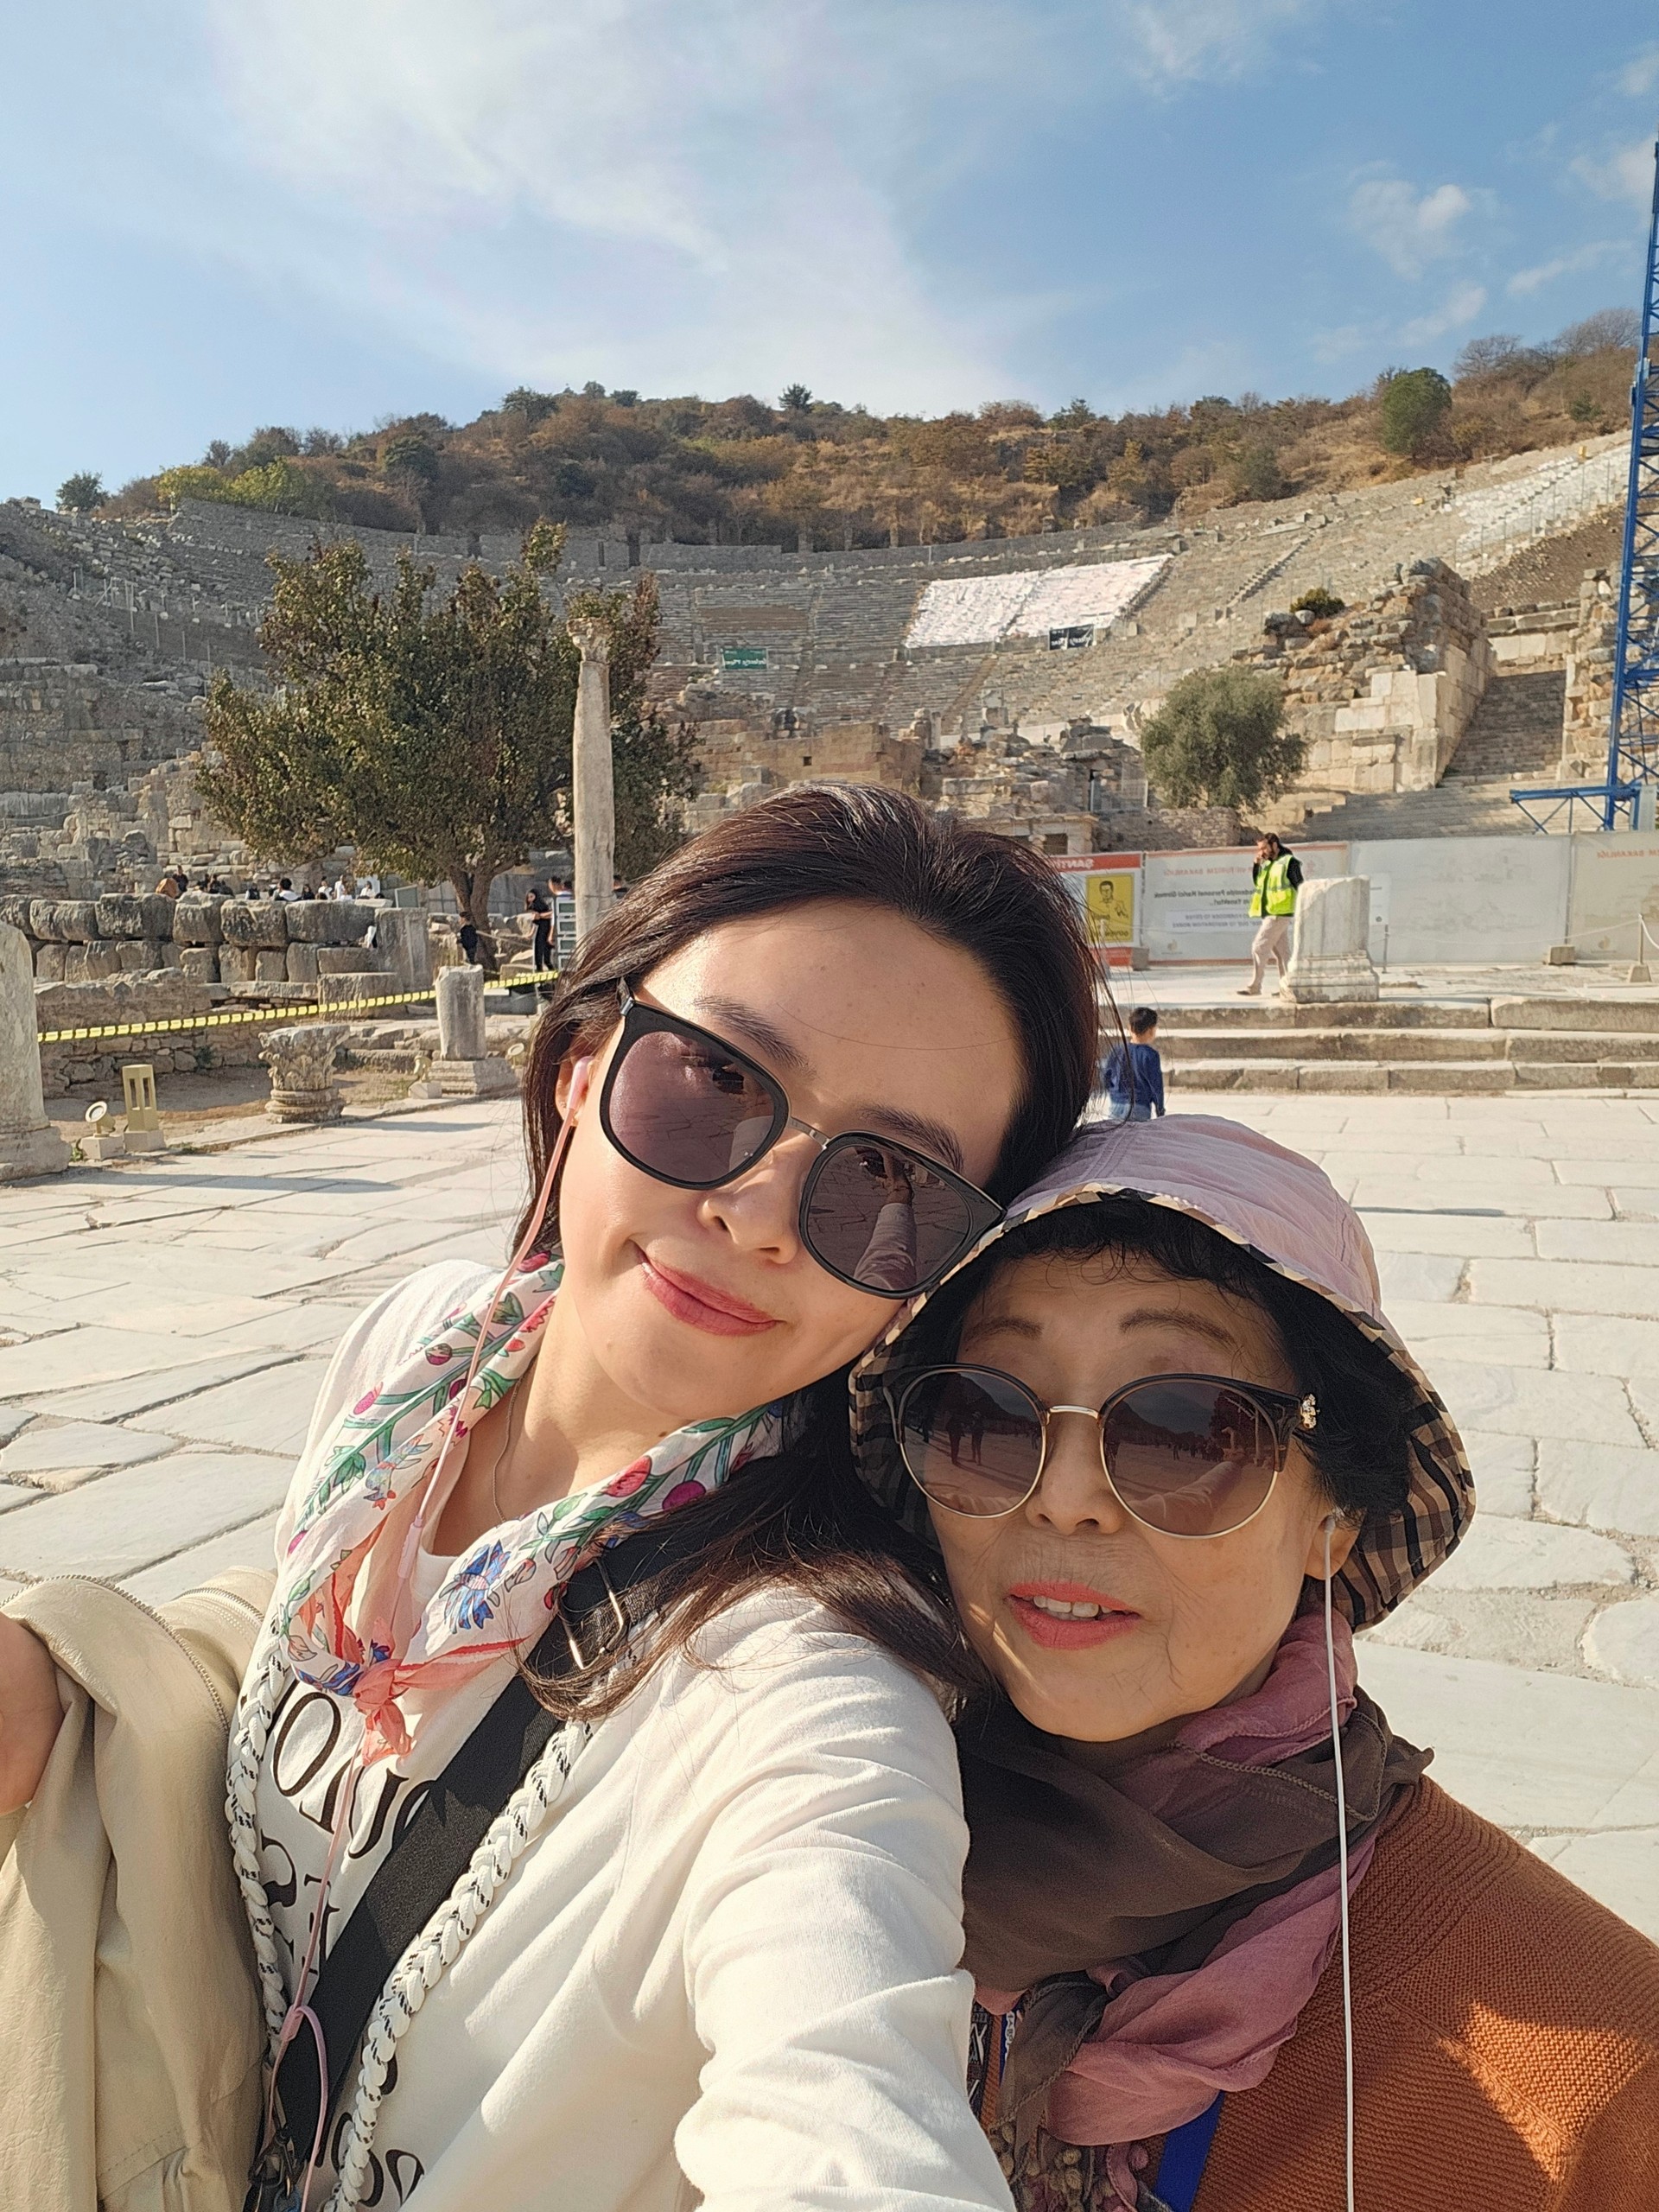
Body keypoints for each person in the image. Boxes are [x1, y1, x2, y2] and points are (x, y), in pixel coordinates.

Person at [0, 785, 1100, 2212]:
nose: (758, 1214)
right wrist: (66, 1685)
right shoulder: (415, 1361)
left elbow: (849, 2110)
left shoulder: (806, 1697)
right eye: (714, 1083)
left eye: (886, 1181)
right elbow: (345, 1653)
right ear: (584, 1067)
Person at [854, 1116, 1659, 2210]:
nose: (1065, 1495)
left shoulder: (1591, 2083)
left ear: (1336, 1516)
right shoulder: (822, 1863)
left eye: (1185, 1431)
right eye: (986, 1417)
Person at [1237, 834, 1301, 996]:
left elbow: (1300, 885)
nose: (1261, 852)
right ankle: (1288, 987)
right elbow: (1258, 883)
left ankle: (1255, 986)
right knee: (1283, 953)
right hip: (1271, 912)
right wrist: (1256, 865)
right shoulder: (1268, 864)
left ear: (1274, 845)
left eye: (1264, 848)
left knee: (1259, 947)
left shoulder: (1289, 862)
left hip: (1279, 913)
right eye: (1259, 849)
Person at [1098, 1008, 1164, 1123]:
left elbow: (1106, 1076)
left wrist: (1115, 1093)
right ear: (1151, 1031)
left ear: (1130, 1028)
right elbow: (1156, 1086)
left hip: (1117, 1104)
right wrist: (1160, 1110)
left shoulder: (1117, 1050)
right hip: (1140, 1106)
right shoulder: (1151, 1055)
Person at [525, 883, 553, 971]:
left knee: (539, 951)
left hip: (542, 930)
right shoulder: (544, 904)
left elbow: (535, 922)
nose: (530, 899)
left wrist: (531, 933)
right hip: (546, 929)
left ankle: (540, 971)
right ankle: (551, 969)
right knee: (546, 953)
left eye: (531, 897)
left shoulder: (535, 905)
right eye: (528, 897)